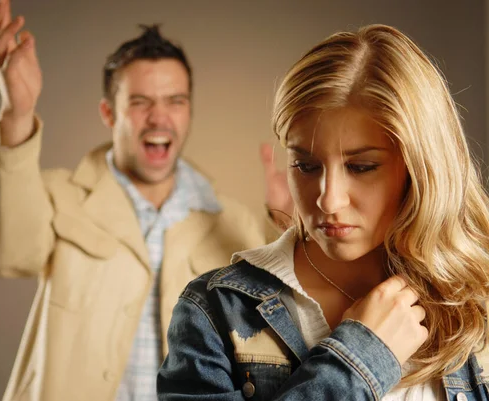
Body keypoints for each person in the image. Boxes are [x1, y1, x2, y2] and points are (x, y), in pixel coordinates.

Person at [0, 1, 291, 400]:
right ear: (109, 113)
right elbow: (4, 253)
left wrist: (291, 222)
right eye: (140, 102)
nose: (160, 118)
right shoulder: (60, 197)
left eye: (175, 101)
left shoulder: (236, 222)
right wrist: (16, 113)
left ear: (189, 111)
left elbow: (290, 326)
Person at [158, 24, 489, 401]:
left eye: (361, 167)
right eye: (306, 166)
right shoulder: (216, 312)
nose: (328, 201)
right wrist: (360, 358)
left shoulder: (475, 305)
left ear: (421, 168)